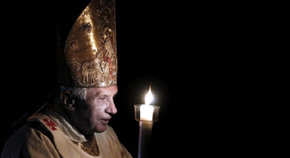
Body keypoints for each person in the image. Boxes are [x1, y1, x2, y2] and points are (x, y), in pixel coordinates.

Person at [1, 0, 133, 157]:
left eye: (113, 97)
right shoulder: (39, 138)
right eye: (103, 98)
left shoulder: (107, 136)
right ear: (69, 100)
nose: (113, 109)